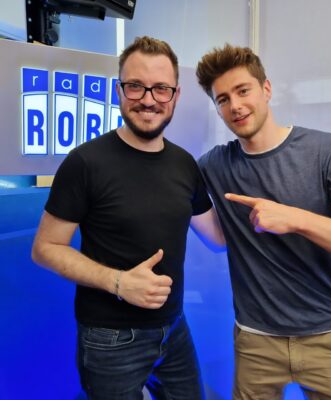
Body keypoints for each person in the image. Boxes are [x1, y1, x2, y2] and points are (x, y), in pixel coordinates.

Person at [31, 36, 224, 400]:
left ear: (175, 96)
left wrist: (274, 202)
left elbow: (217, 238)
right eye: (136, 86)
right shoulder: (85, 163)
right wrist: (118, 282)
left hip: (173, 329)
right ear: (118, 90)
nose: (149, 99)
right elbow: (45, 248)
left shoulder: (184, 164)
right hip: (109, 338)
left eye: (161, 88)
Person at [195, 44, 331, 400]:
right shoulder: (214, 165)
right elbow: (219, 240)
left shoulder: (328, 151)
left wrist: (296, 218)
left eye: (243, 90)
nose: (235, 105)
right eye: (223, 99)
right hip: (254, 341)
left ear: (266, 89)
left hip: (326, 339)